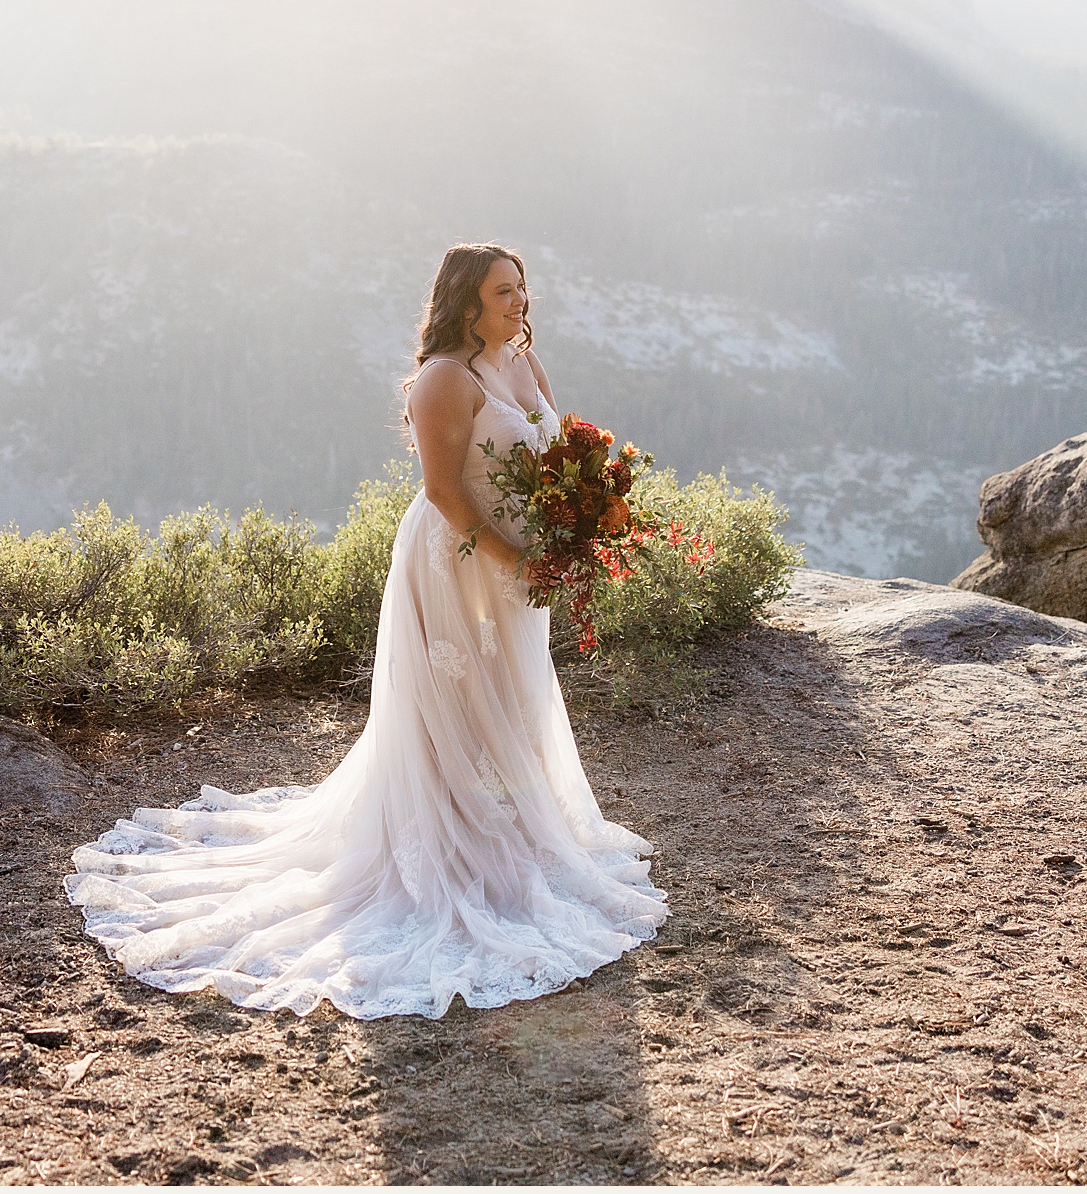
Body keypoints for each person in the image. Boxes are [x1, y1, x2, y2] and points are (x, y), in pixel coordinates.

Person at [64, 242, 667, 1018]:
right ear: (465, 301)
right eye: (503, 290)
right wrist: (511, 554)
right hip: (460, 560)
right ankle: (449, 853)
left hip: (521, 570)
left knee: (509, 700)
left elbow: (552, 456)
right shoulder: (444, 381)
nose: (520, 301)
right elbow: (446, 492)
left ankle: (507, 840)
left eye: (522, 287)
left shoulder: (523, 363)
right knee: (456, 706)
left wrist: (572, 525)